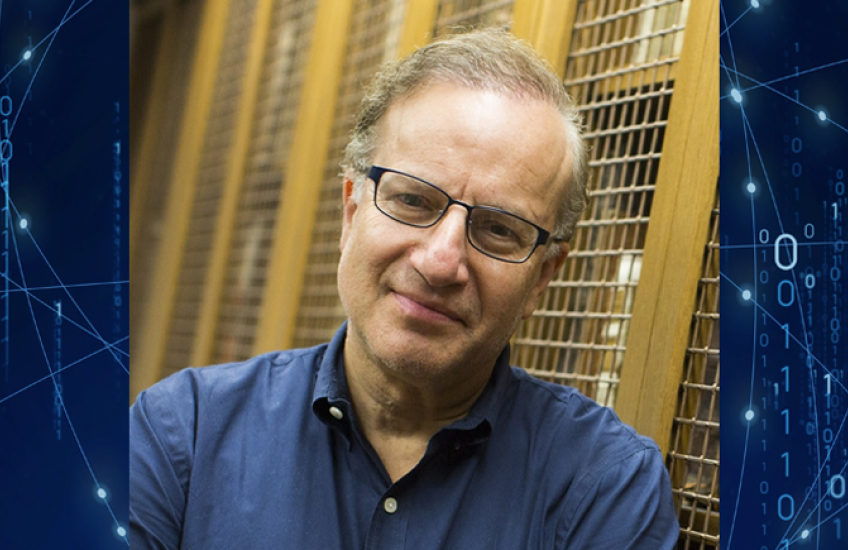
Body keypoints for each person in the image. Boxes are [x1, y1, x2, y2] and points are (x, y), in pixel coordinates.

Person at [130, 29, 679, 549]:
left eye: (498, 229)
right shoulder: (184, 435)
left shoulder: (605, 490)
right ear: (351, 211)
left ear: (541, 277)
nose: (441, 262)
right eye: (413, 200)